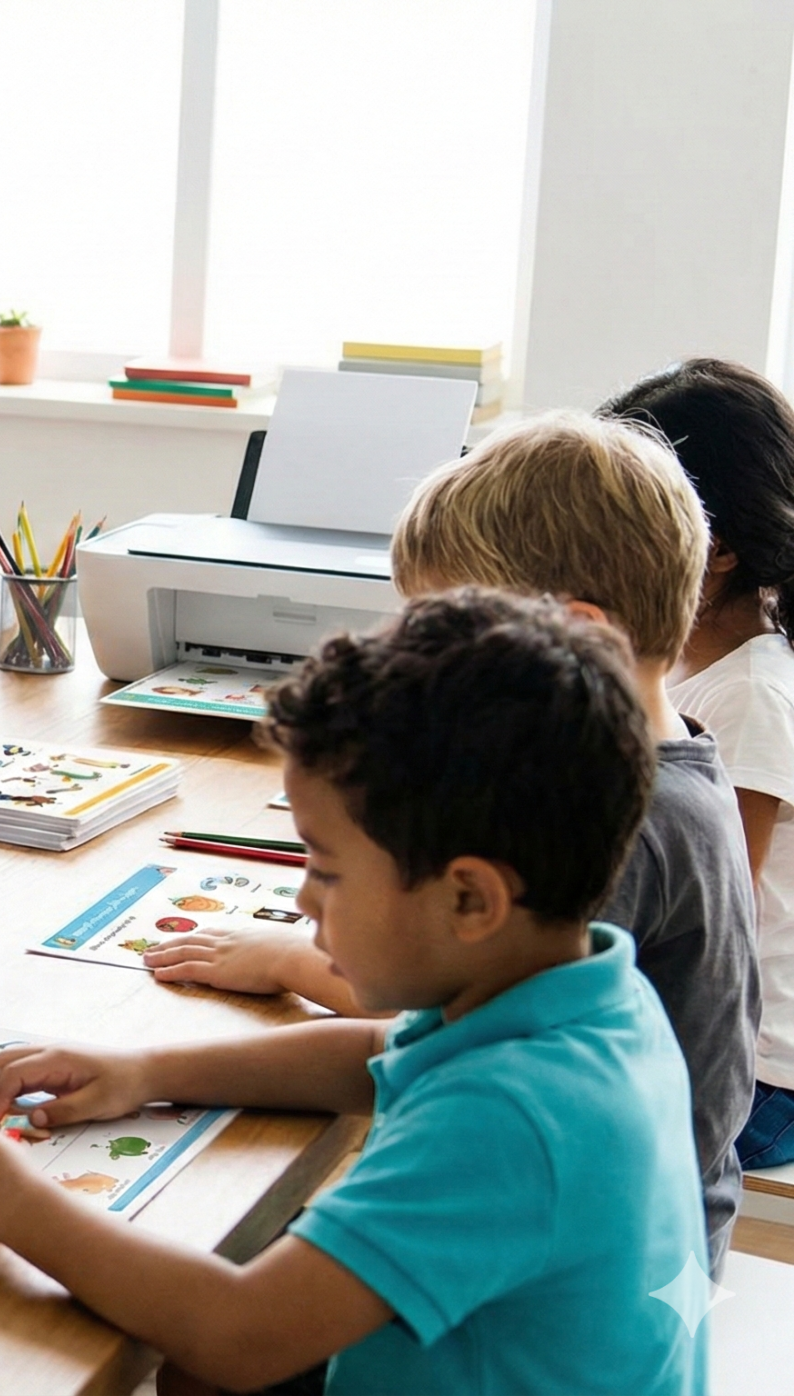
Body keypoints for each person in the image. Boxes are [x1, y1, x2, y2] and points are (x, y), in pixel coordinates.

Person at [0, 590, 708, 1396]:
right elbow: (372, 1053)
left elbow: (241, 1333)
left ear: (470, 900)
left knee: (186, 1354)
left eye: (326, 870)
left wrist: (12, 1204)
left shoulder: (508, 1116)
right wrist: (147, 1071)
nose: (302, 900)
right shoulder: (588, 993)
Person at [142, 411, 759, 1266]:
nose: (423, 665)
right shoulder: (662, 754)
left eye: (448, 637)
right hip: (619, 1214)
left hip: (606, 1251)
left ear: (580, 636)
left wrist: (285, 962)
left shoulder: (620, 825)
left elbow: (412, 1008)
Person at [610, 358, 794, 1172]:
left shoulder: (749, 696)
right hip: (703, 1033)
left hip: (754, 1082)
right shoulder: (683, 668)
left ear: (711, 550)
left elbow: (710, 921)